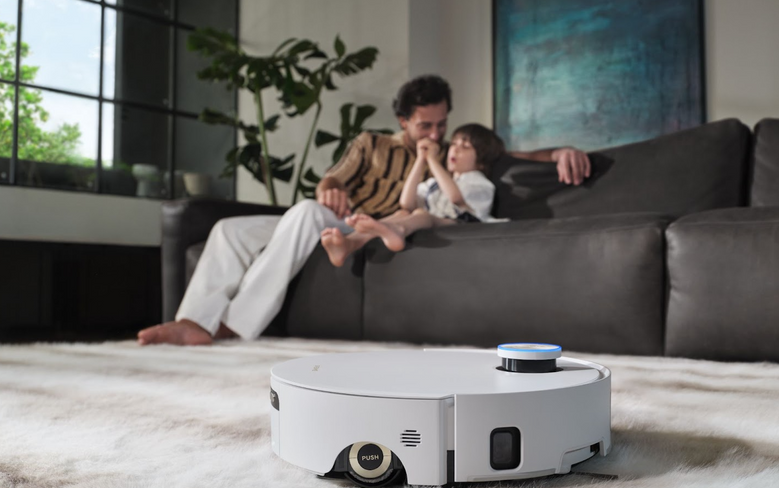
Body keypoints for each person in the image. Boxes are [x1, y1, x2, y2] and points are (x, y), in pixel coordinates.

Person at [137, 75, 591, 346]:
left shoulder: (447, 157)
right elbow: (332, 179)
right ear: (404, 121)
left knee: (304, 214)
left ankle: (231, 329)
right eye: (425, 125)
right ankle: (191, 322)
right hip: (337, 218)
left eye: (442, 124)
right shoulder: (370, 144)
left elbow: (503, 154)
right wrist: (331, 191)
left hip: (368, 228)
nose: (435, 133)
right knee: (229, 229)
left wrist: (558, 152)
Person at [320, 123, 504, 265]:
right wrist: (420, 160)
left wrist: (432, 160)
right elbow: (406, 203)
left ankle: (398, 231)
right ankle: (350, 243)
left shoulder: (479, 182)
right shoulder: (435, 183)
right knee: (402, 213)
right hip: (435, 221)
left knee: (422, 215)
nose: (455, 149)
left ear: (482, 161)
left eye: (465, 147)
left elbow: (456, 199)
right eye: (454, 143)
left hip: (465, 224)